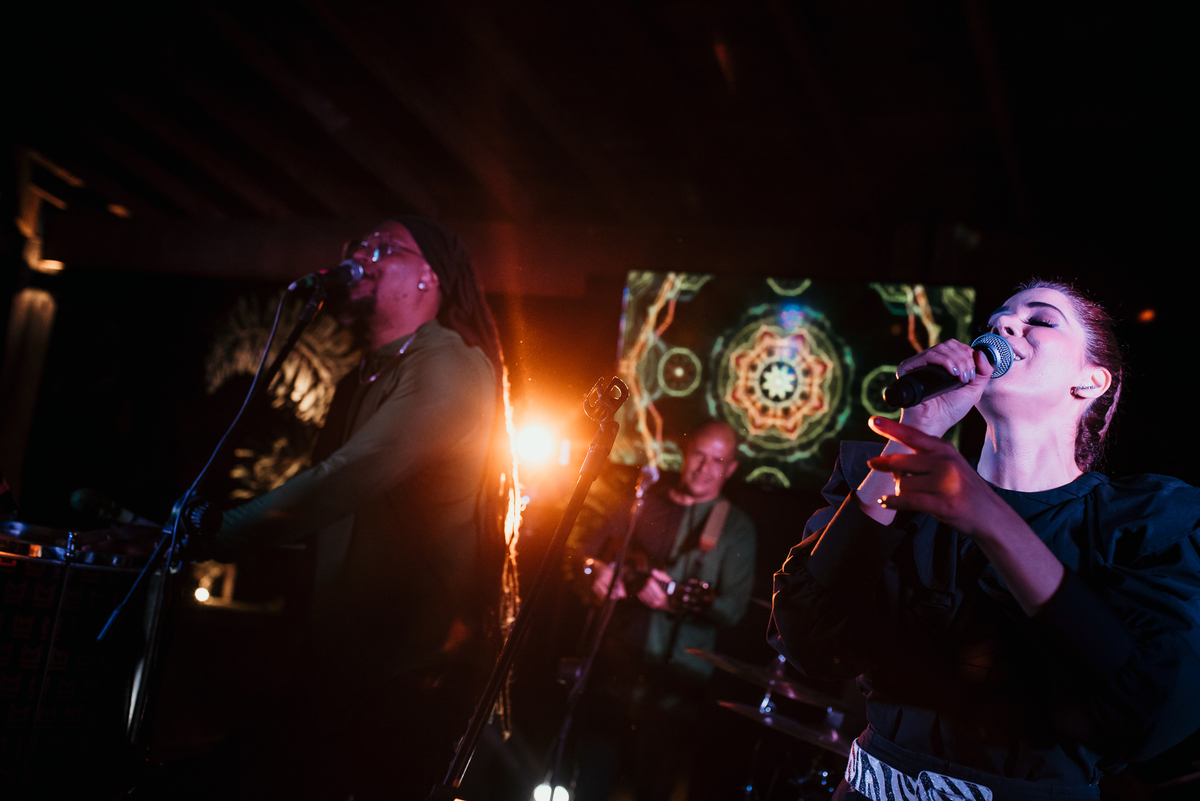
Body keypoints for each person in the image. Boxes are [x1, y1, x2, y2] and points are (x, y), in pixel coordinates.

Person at [770, 280, 1200, 801]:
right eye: (998, 318)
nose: (1003, 324)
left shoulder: (1139, 522)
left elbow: (1147, 711)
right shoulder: (900, 489)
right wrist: (916, 433)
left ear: (1091, 382)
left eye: (1040, 320)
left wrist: (988, 517)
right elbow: (808, 642)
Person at [210, 217, 519, 800]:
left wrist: (214, 534)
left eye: (386, 248)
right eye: (360, 246)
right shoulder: (372, 371)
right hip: (344, 662)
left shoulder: (447, 364)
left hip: (406, 671)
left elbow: (342, 482)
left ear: (430, 277)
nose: (364, 256)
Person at [575, 420, 757, 801]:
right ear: (685, 454)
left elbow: (733, 610)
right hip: (614, 673)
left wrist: (672, 600)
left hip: (674, 690)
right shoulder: (645, 503)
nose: (704, 468)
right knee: (588, 783)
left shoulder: (735, 527)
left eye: (717, 460)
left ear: (731, 468)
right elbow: (585, 552)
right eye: (699, 455)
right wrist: (597, 571)